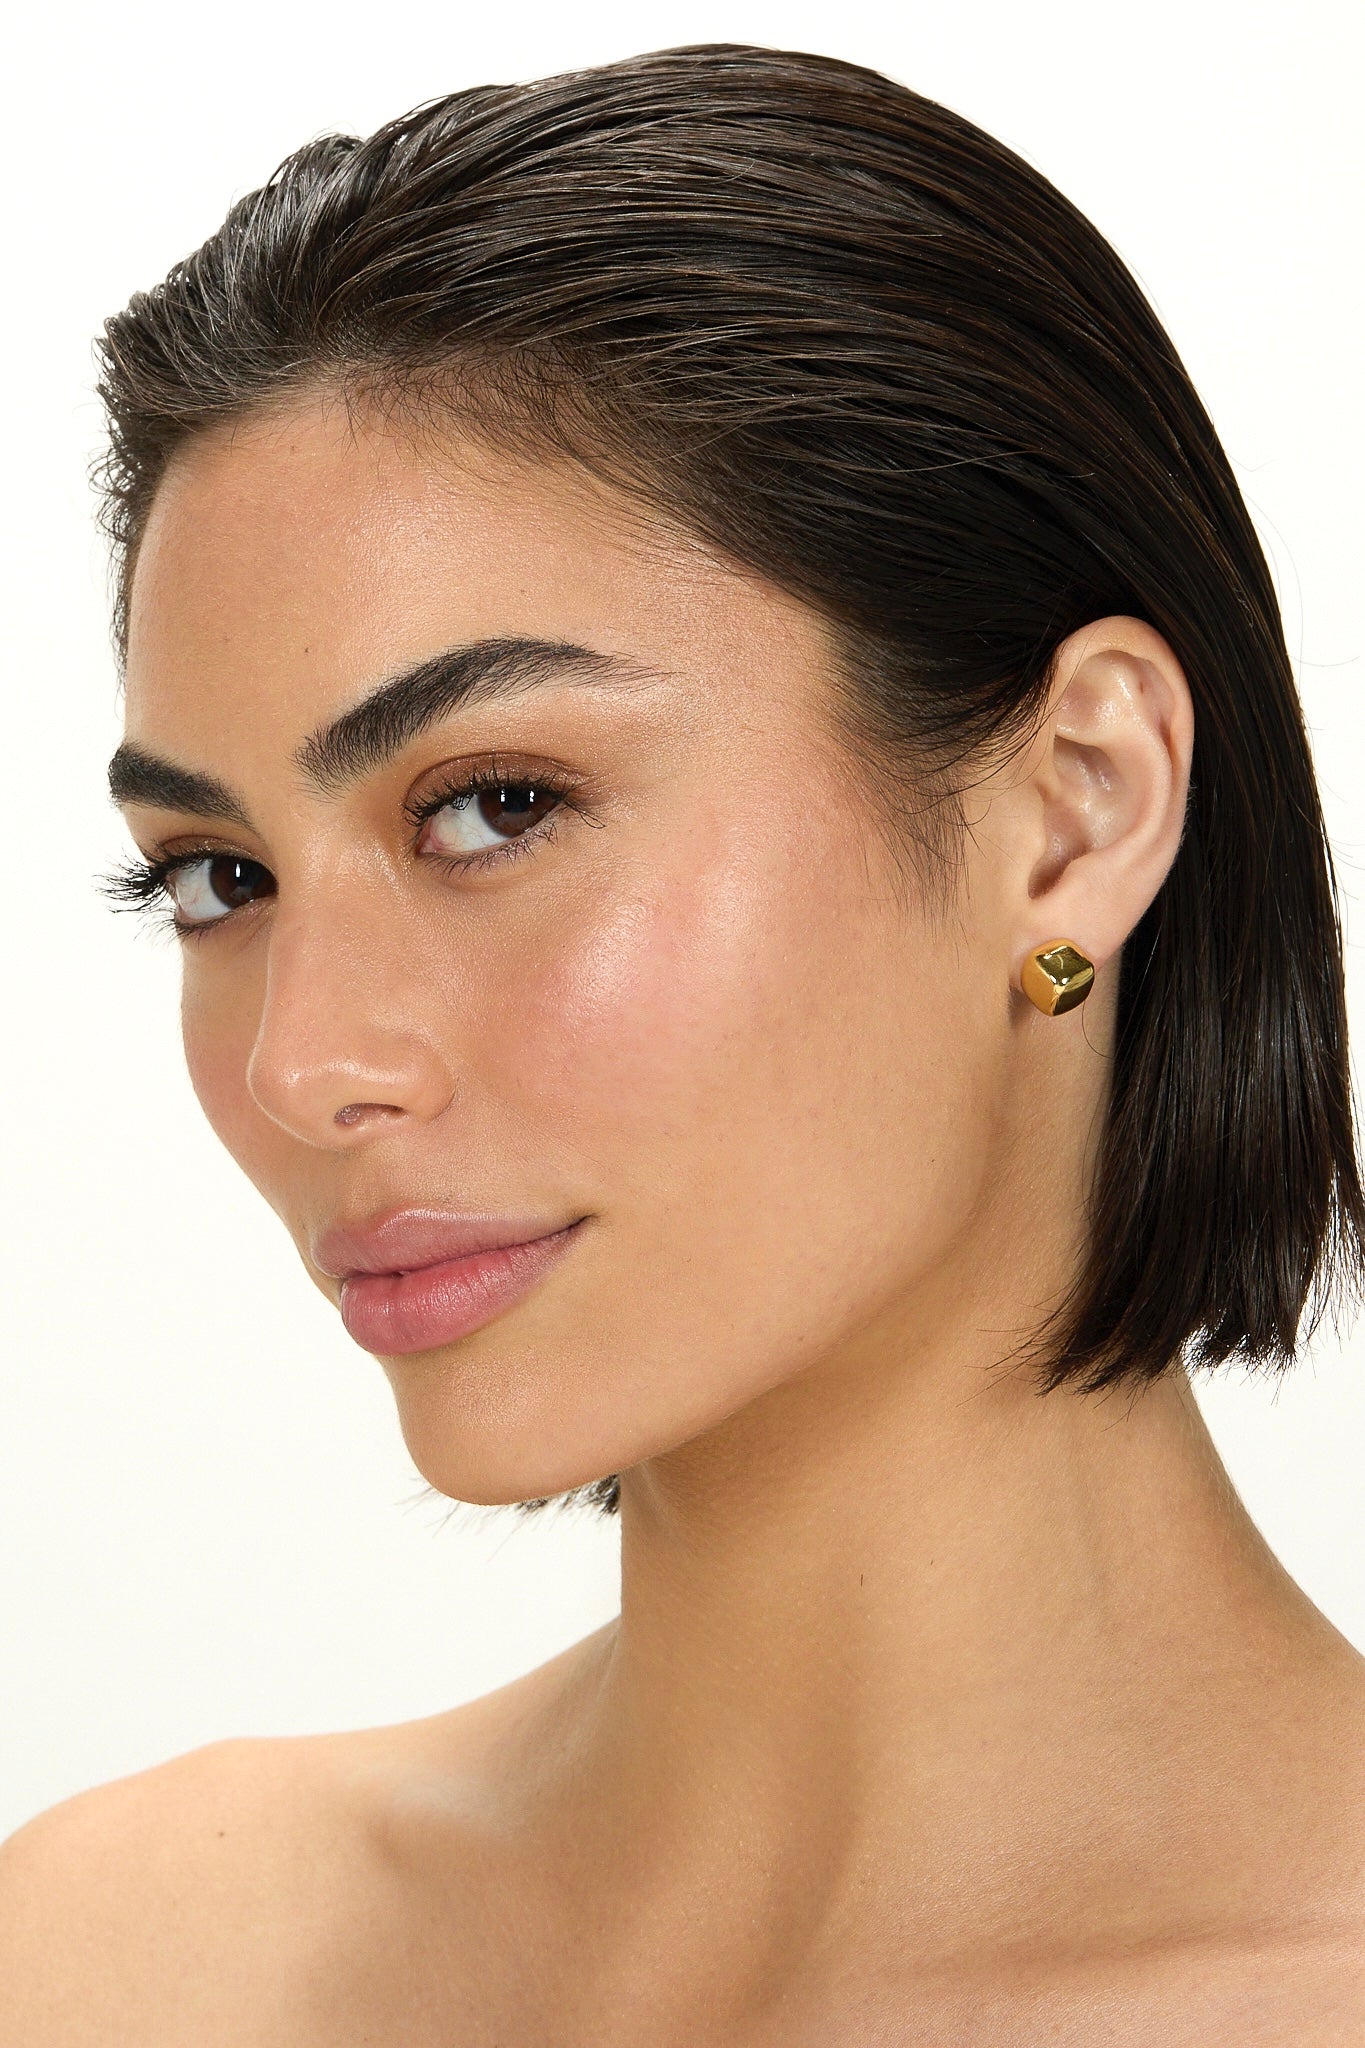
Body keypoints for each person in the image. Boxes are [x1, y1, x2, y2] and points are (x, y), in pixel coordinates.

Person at [2, 42, 1363, 2044]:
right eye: (221, 878)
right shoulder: (114, 1968)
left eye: (495, 807)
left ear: (1074, 809)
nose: (302, 1065)